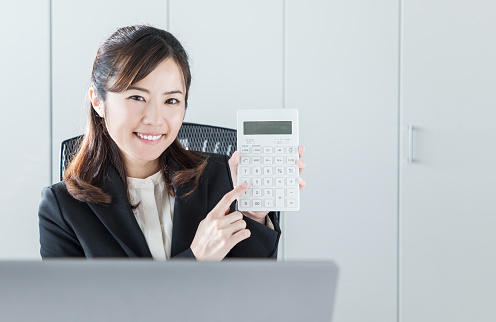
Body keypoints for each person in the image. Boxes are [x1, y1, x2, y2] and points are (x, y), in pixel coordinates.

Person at [38, 25, 306, 261]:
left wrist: (253, 214)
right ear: (98, 101)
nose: (155, 119)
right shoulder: (62, 209)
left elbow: (254, 295)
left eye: (171, 101)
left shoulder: (223, 179)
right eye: (137, 97)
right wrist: (196, 260)